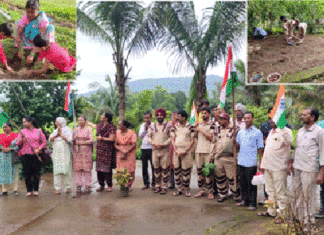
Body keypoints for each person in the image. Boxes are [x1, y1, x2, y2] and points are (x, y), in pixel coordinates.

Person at [289, 108, 324, 231]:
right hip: (297, 167)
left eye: (305, 115)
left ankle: (310, 222)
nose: (302, 116)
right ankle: (299, 218)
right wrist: (291, 163)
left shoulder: (319, 132)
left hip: (310, 168)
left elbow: (323, 152)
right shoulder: (300, 131)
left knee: (309, 195)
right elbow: (296, 149)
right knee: (297, 194)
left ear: (312, 117)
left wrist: (321, 172)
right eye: (302, 114)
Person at [259, 119, 293, 224]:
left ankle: (282, 215)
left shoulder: (286, 131)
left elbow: (289, 142)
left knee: (280, 193)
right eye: (270, 119)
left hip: (279, 167)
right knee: (270, 192)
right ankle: (271, 211)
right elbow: (268, 150)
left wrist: (282, 128)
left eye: (273, 119)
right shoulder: (271, 132)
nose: (270, 121)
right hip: (268, 166)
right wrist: (262, 165)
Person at [236, 111, 264, 211]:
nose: (247, 120)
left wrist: (261, 162)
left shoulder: (257, 132)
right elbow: (238, 146)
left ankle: (252, 203)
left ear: (252, 119)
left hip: (251, 161)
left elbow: (260, 148)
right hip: (241, 161)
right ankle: (244, 199)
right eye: (245, 118)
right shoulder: (240, 132)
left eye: (249, 118)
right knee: (242, 182)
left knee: (251, 183)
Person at [213, 113, 241, 202]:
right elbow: (213, 143)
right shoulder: (217, 129)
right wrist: (211, 156)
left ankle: (236, 195)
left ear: (227, 120)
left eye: (221, 119)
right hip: (218, 157)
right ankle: (222, 194)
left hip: (230, 157)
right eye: (219, 119)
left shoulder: (235, 129)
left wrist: (235, 142)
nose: (219, 121)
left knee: (232, 178)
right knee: (219, 177)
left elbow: (240, 144)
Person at [16, 116, 46, 196]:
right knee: (27, 173)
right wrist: (22, 138)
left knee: (36, 173)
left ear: (30, 122)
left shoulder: (38, 131)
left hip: (36, 155)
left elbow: (44, 142)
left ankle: (36, 189)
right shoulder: (22, 131)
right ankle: (29, 190)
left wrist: (38, 148)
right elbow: (19, 144)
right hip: (25, 155)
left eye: (25, 122)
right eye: (23, 122)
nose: (23, 124)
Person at [87, 112, 116, 192]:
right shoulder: (100, 125)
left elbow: (112, 138)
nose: (101, 116)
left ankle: (109, 185)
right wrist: (86, 121)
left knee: (107, 169)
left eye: (103, 115)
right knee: (99, 169)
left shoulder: (111, 127)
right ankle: (101, 185)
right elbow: (93, 125)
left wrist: (102, 138)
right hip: (99, 151)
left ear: (106, 118)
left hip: (107, 151)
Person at [147, 108, 172, 194]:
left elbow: (171, 137)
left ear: (164, 116)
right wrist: (154, 143)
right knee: (156, 169)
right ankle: (157, 186)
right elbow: (148, 137)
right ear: (156, 116)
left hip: (165, 150)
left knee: (165, 169)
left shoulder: (168, 125)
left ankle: (164, 187)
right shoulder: (152, 126)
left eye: (161, 115)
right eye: (158, 115)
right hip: (155, 150)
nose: (160, 116)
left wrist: (164, 144)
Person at [171, 110, 195, 197]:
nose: (177, 117)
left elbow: (192, 141)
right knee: (177, 171)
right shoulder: (175, 127)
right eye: (177, 116)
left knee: (186, 172)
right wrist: (176, 150)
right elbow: (173, 140)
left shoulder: (190, 127)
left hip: (186, 152)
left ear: (184, 117)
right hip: (176, 152)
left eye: (179, 116)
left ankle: (187, 189)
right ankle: (179, 189)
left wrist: (186, 150)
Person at [49, 117, 73, 195]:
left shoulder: (68, 130)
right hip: (57, 152)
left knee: (66, 168)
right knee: (57, 169)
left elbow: (70, 140)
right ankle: (57, 188)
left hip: (65, 151)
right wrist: (57, 135)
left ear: (61, 122)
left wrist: (61, 135)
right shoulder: (55, 131)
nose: (55, 122)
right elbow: (50, 139)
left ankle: (68, 187)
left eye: (57, 121)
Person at [194, 107, 214, 199]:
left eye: (205, 113)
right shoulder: (199, 125)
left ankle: (210, 191)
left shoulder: (212, 124)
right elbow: (195, 137)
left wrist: (200, 130)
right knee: (199, 172)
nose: (203, 115)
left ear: (209, 114)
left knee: (208, 173)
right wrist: (195, 129)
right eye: (202, 113)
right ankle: (201, 190)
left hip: (207, 151)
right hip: (199, 151)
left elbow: (211, 137)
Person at [72, 116, 94, 193]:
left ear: (85, 121)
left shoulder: (89, 129)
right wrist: (74, 139)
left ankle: (88, 185)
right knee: (77, 169)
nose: (79, 121)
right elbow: (71, 140)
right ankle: (79, 185)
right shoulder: (75, 130)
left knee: (87, 169)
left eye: (81, 120)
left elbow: (91, 140)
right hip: (77, 152)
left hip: (86, 151)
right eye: (78, 120)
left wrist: (82, 142)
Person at [115, 120, 137, 190]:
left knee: (130, 169)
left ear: (124, 126)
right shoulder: (117, 133)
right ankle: (122, 184)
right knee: (120, 169)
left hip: (130, 152)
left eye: (120, 125)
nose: (118, 126)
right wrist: (122, 150)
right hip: (120, 152)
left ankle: (129, 185)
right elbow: (114, 144)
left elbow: (134, 144)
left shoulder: (132, 133)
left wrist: (127, 151)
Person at [0, 122, 19, 196]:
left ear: (10, 127)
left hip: (12, 156)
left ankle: (15, 189)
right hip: (3, 157)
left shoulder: (15, 135)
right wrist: (2, 149)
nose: (4, 128)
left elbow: (18, 146)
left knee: (15, 172)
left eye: (6, 127)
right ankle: (4, 190)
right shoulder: (0, 136)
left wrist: (11, 149)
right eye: (3, 127)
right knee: (2, 173)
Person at [139, 111, 155, 189]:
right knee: (144, 167)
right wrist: (145, 129)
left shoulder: (154, 125)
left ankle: (154, 183)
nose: (146, 119)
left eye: (148, 117)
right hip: (144, 148)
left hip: (152, 149)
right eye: (145, 118)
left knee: (154, 166)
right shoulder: (142, 125)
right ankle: (146, 183)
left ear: (151, 118)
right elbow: (140, 136)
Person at [168, 111, 178, 189]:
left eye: (174, 116)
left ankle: (180, 183)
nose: (173, 118)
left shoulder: (180, 125)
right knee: (170, 165)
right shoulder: (169, 124)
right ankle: (171, 182)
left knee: (178, 165)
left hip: (178, 146)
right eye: (172, 116)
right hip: (170, 146)